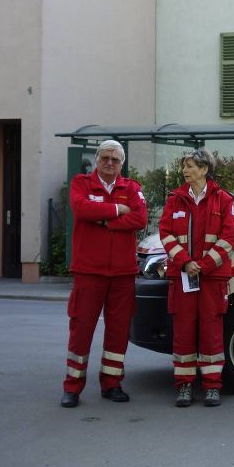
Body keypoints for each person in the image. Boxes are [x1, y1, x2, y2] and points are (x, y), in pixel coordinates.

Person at [61, 140, 148, 408]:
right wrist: (115, 210)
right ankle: (72, 387)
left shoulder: (131, 188)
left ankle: (111, 384)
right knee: (81, 328)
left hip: (122, 273)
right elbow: (81, 208)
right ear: (97, 159)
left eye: (116, 159)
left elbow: (140, 219)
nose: (110, 163)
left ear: (122, 163)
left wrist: (103, 221)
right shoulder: (81, 183)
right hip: (89, 271)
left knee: (118, 331)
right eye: (105, 158)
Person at [159, 148, 234, 407]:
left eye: (191, 165)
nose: (185, 170)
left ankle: (212, 386)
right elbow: (166, 234)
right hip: (183, 276)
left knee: (211, 331)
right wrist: (185, 263)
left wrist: (202, 266)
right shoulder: (175, 199)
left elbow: (229, 239)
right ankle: (184, 386)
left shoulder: (223, 200)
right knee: (183, 330)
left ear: (204, 169)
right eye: (184, 165)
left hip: (211, 278)